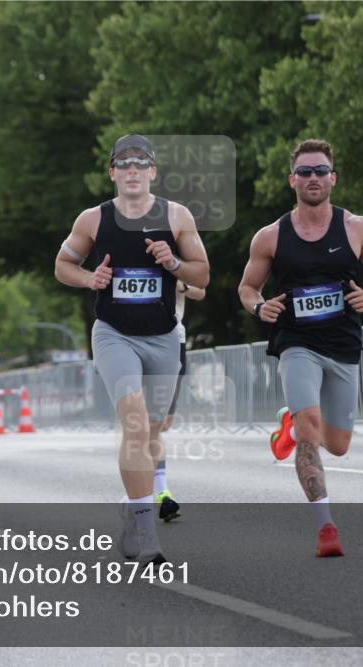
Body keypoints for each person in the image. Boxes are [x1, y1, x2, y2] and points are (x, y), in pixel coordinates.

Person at [55, 134, 210, 565]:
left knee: (155, 429)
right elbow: (62, 265)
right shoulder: (93, 219)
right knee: (137, 426)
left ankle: (133, 503)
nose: (133, 170)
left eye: (141, 163)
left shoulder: (177, 217)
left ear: (153, 172)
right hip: (113, 334)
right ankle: (145, 531)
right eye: (124, 164)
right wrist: (90, 280)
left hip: (163, 337)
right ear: (113, 173)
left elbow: (203, 277)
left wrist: (173, 262)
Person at [238, 138, 363, 558]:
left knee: (339, 445)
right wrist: (260, 306)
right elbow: (247, 287)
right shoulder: (270, 237)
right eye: (304, 172)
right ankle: (326, 527)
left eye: (320, 171)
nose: (313, 178)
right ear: (292, 180)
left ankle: (290, 422)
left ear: (333, 178)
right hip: (297, 342)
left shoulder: (358, 228)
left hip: (343, 342)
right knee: (310, 425)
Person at [154, 279, 206, 522]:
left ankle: (145, 488)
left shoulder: (176, 258)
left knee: (163, 424)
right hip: (133, 341)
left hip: (175, 340)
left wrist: (180, 285)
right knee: (147, 424)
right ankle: (160, 493)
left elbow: (201, 290)